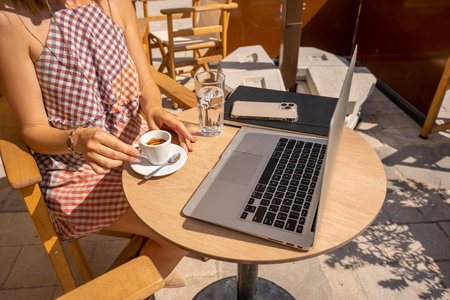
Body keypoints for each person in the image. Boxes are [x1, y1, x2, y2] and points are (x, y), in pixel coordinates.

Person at [0, 0, 196, 286]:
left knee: (198, 200)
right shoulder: (10, 20)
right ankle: (146, 272)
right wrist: (77, 138)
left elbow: (146, 84)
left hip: (134, 145)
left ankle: (154, 258)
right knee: (181, 230)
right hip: (77, 169)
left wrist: (154, 108)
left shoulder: (116, 2)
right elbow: (33, 128)